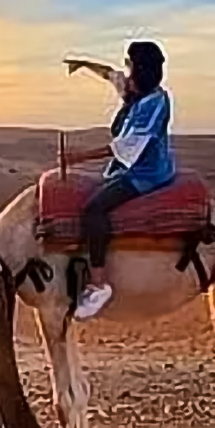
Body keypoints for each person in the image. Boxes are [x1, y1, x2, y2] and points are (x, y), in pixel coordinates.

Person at [60, 40, 176, 320]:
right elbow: (109, 74)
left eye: (130, 65)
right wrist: (84, 63)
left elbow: (127, 146)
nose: (125, 72)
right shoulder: (135, 90)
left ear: (140, 71)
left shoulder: (153, 103)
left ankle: (99, 284)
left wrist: (79, 157)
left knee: (94, 210)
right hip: (125, 168)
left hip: (145, 174)